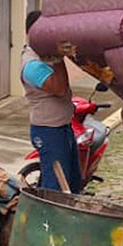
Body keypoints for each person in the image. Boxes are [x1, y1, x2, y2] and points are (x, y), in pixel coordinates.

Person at [20, 10, 82, 193]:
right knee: (55, 187)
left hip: (62, 127)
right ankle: (50, 220)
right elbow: (60, 88)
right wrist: (57, 57)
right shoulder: (32, 65)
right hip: (49, 131)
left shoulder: (43, 57)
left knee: (72, 182)